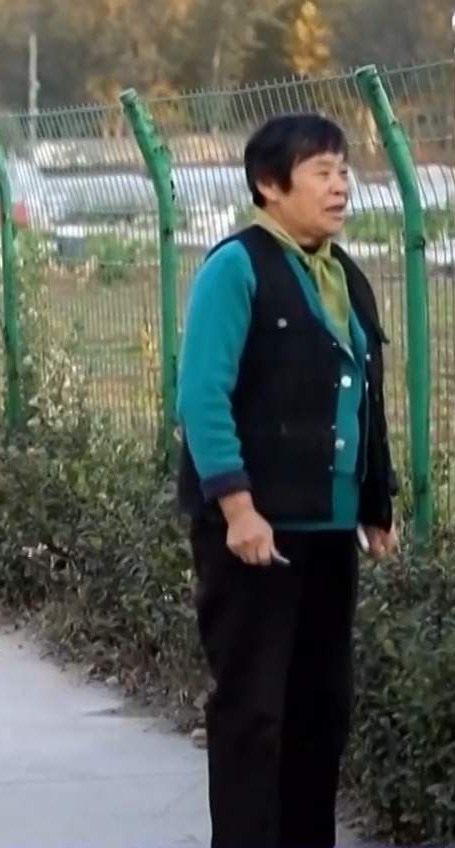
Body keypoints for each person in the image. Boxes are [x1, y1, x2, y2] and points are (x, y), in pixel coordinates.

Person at [175, 113, 399, 848]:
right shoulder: (236, 268)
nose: (340, 186)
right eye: (321, 172)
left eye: (344, 170)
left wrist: (376, 501)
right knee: (253, 713)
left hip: (327, 532)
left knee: (320, 713)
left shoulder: (343, 275)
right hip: (256, 536)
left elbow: (365, 393)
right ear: (270, 186)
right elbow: (202, 396)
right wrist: (237, 508)